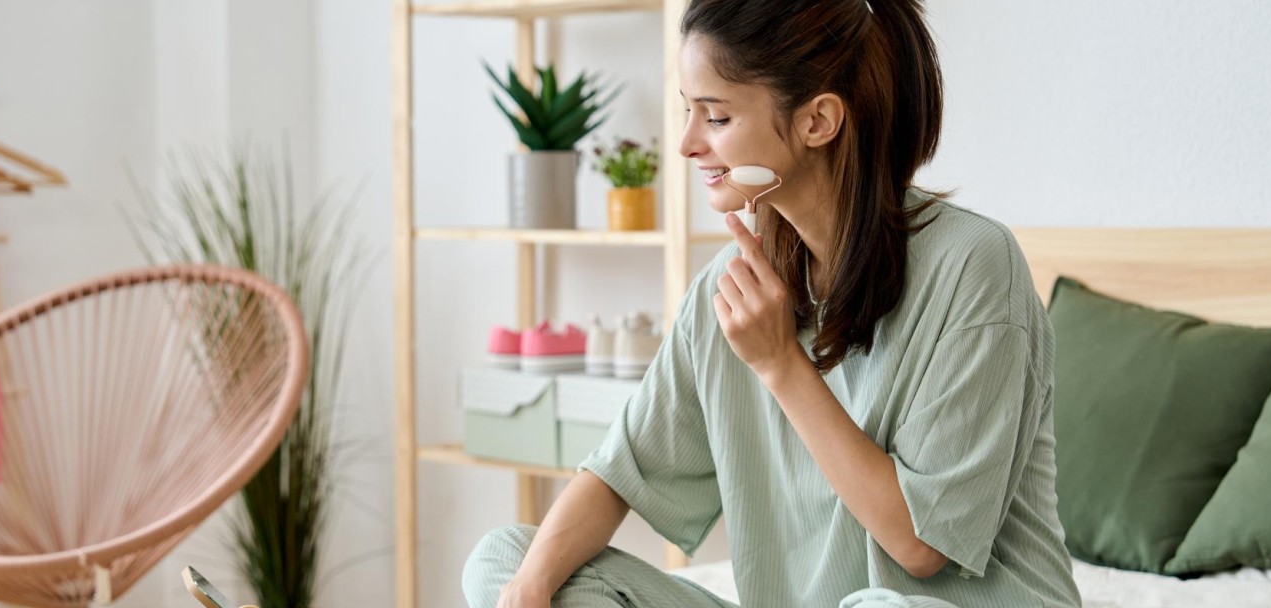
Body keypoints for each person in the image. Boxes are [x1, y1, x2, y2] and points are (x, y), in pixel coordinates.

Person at [464, 0, 1083, 606]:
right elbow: (619, 471)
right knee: (510, 557)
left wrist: (780, 365)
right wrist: (529, 591)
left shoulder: (974, 263)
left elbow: (921, 547)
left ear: (818, 121)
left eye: (716, 116)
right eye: (689, 111)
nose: (685, 143)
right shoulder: (728, 288)